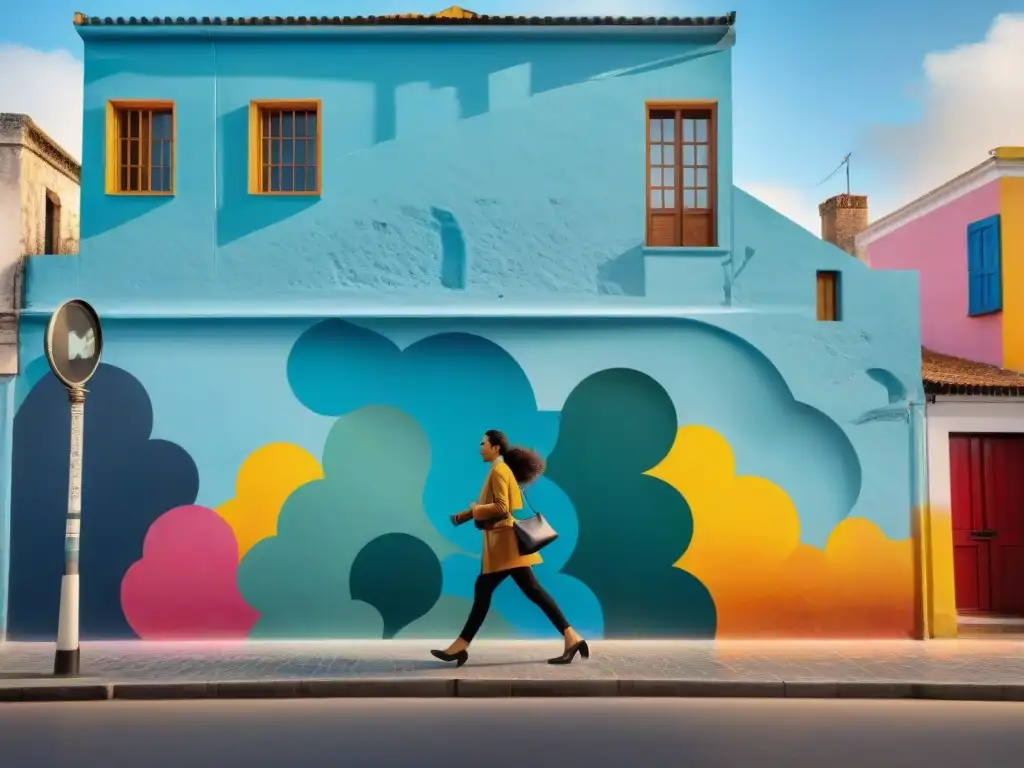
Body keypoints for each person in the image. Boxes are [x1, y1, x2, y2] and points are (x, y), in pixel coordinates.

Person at [430, 429, 589, 667]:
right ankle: (572, 637)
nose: (480, 447)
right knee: (530, 591)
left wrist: (474, 511)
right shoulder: (500, 469)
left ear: (495, 447)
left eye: (483, 443)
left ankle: (461, 646)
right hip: (503, 544)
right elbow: (494, 506)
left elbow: (503, 507)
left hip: (506, 544)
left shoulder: (500, 469)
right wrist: (466, 516)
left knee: (491, 591)